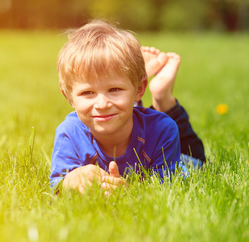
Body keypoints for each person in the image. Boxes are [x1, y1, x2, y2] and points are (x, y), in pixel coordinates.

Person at [50, 20, 206, 195]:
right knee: (120, 109)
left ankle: (163, 97)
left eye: (114, 89)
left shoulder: (163, 130)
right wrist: (71, 180)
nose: (101, 104)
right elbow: (55, 188)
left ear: (140, 89)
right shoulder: (69, 133)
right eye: (87, 92)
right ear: (69, 96)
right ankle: (130, 79)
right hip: (129, 110)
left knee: (195, 163)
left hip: (180, 157)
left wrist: (129, 193)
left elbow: (165, 193)